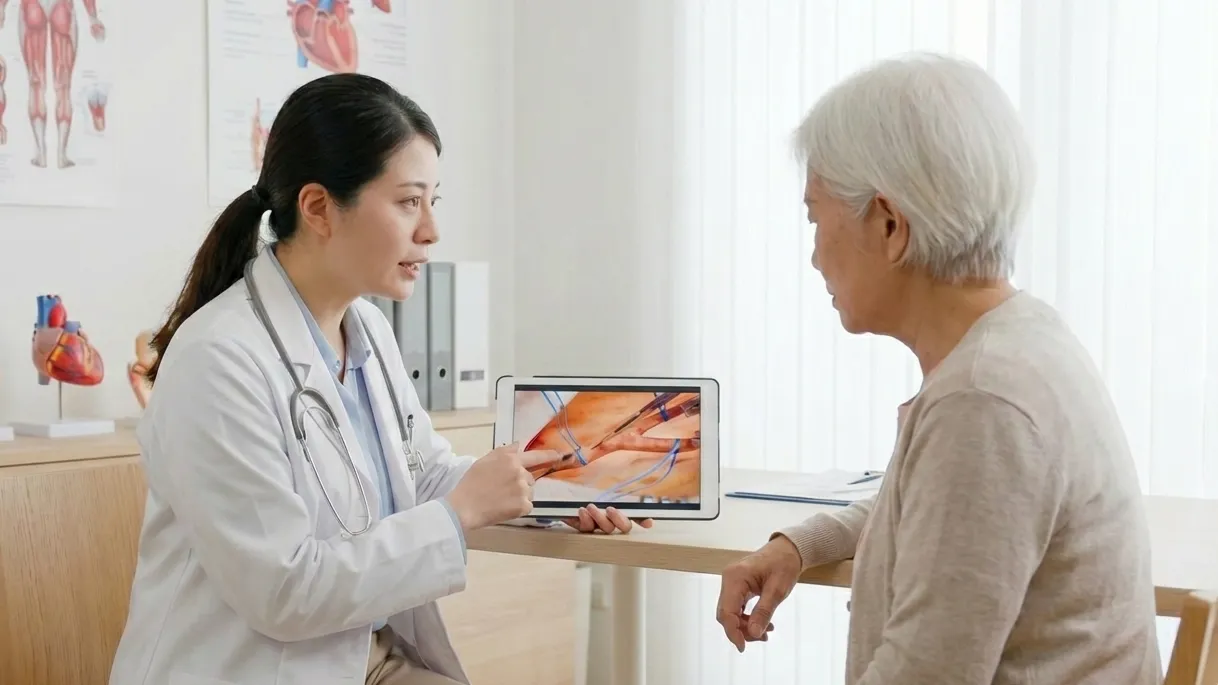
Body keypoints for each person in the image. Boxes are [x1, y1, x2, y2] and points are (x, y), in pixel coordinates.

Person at [109, 73, 645, 685]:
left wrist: (550, 490)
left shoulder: (366, 329)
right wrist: (458, 514)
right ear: (318, 208)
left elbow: (420, 473)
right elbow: (284, 591)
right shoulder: (218, 360)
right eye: (407, 202)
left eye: (432, 202)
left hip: (358, 656)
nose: (431, 231)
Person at [716, 53, 1162, 684]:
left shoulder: (983, 403)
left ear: (891, 226)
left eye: (816, 218)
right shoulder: (1022, 341)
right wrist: (800, 543)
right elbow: (948, 520)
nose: (814, 256)